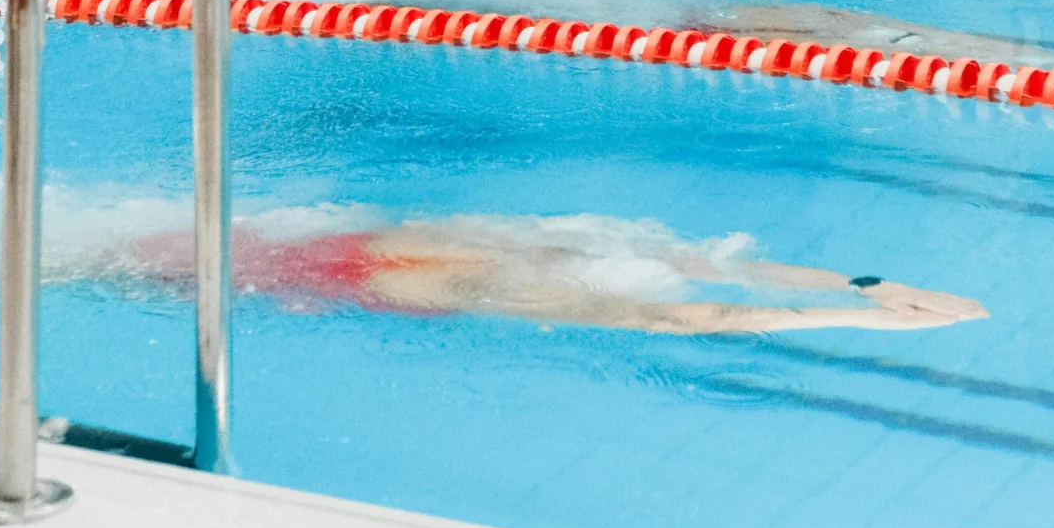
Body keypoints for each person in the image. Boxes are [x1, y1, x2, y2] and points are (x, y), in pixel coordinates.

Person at [123, 214, 985, 335]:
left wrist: (857, 291)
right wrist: (856, 307)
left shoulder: (445, 244)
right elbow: (675, 311)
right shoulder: (447, 270)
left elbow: (699, 277)